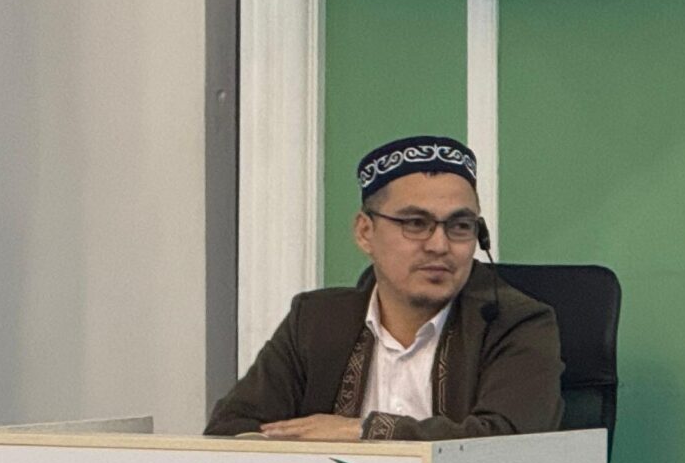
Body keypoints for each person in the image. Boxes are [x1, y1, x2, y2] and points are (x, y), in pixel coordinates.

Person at [206, 134, 563, 441]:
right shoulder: (316, 321)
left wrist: (366, 432)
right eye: (415, 223)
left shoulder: (515, 323)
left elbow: (508, 443)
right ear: (365, 232)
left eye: (460, 226)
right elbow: (231, 428)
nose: (439, 245)